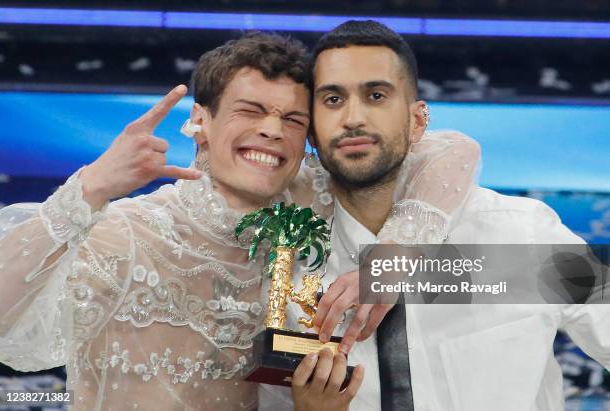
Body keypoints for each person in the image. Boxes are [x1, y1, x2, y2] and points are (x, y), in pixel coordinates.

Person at [0, 31, 479, 410]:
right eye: (250, 111)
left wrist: (392, 257)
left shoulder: (312, 199)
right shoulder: (124, 231)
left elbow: (453, 148)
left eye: (292, 120)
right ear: (200, 121)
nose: (272, 129)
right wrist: (92, 186)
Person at [259, 21, 610, 411]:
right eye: (333, 100)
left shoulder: (520, 232)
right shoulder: (288, 269)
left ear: (417, 122)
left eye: (376, 95)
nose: (353, 117)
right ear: (311, 133)